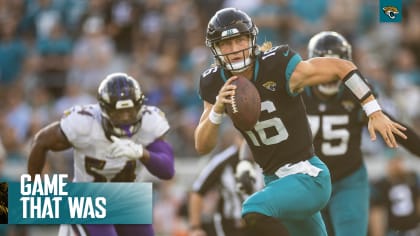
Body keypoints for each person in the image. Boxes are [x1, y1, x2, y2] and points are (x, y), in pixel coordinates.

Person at [194, 8, 407, 235]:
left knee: (252, 210)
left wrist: (373, 110)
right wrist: (217, 110)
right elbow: (202, 145)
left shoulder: (276, 65)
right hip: (275, 180)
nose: (234, 49)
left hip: (308, 177)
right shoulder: (213, 82)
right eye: (226, 44)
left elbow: (342, 67)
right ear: (215, 48)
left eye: (239, 40)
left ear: (251, 39)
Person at [303, 31, 420, 236]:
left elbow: (390, 125)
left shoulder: (355, 91)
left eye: (336, 64)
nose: (330, 72)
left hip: (348, 180)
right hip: (308, 181)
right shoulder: (297, 92)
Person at [27, 73, 175, 236]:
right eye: (119, 113)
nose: (126, 118)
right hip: (89, 197)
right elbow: (40, 141)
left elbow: (167, 170)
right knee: (6, 203)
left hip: (128, 199)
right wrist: (35, 183)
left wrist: (142, 153)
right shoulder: (85, 123)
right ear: (104, 109)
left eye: (130, 111)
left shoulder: (149, 122)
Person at [188, 139, 262, 236]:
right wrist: (195, 227)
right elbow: (197, 191)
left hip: (261, 223)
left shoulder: (267, 157)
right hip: (231, 225)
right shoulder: (222, 161)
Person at [370, 154, 420, 236]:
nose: (397, 166)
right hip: (393, 231)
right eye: (393, 162)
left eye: (399, 162)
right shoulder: (381, 185)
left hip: (413, 230)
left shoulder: (413, 180)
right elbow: (377, 213)